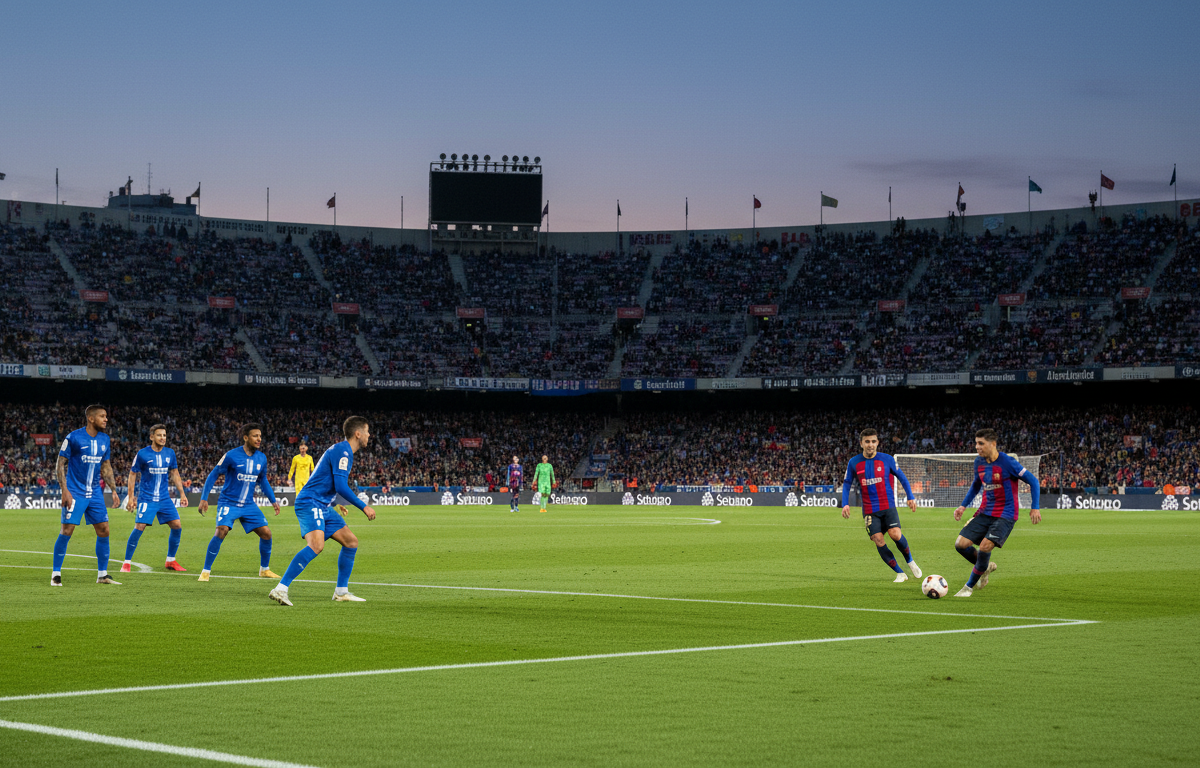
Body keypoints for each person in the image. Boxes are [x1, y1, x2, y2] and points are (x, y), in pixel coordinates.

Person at [269, 416, 377, 606]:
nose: (369, 435)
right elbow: (341, 485)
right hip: (311, 502)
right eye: (367, 431)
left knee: (351, 542)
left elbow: (326, 481)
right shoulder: (343, 451)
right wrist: (364, 506)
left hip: (323, 504)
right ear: (358, 434)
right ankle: (281, 589)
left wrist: (335, 503)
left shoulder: (342, 451)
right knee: (316, 545)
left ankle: (341, 592)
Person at [952, 428, 1042, 597]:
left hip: (1006, 514)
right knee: (960, 544)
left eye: (981, 443)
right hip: (985, 512)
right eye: (976, 443)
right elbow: (976, 485)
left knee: (985, 546)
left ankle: (968, 587)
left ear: (993, 444)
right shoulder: (978, 462)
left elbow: (1033, 481)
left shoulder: (1008, 462)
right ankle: (985, 567)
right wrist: (963, 506)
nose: (977, 447)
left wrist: (1035, 506)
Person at [197, 423, 281, 582]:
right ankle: (205, 571)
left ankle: (264, 570)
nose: (259, 439)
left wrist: (273, 500)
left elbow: (263, 480)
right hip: (229, 502)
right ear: (246, 437)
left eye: (260, 436)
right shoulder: (231, 455)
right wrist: (204, 498)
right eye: (255, 436)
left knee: (266, 533)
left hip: (248, 505)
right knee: (221, 530)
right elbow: (214, 474)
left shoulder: (262, 458)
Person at [51, 404, 123, 586]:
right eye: (102, 416)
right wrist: (64, 490)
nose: (106, 419)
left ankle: (102, 575)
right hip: (75, 491)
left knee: (104, 530)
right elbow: (60, 463)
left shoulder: (105, 439)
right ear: (91, 418)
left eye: (106, 416)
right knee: (67, 530)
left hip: (95, 492)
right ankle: (56, 574)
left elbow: (106, 466)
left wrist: (114, 490)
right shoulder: (73, 437)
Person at [841, 428, 921, 582]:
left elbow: (902, 478)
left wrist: (910, 496)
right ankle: (900, 573)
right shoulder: (854, 462)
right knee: (878, 539)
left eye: (873, 441)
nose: (870, 444)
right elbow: (846, 483)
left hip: (887, 505)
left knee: (895, 534)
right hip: (870, 510)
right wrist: (845, 504)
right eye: (867, 442)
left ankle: (910, 561)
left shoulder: (887, 459)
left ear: (877, 442)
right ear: (861, 443)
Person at [121, 424, 190, 573]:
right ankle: (126, 563)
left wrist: (182, 494)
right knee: (139, 527)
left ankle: (170, 560)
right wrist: (131, 497)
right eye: (159, 435)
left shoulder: (170, 453)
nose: (162, 438)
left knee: (177, 525)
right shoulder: (142, 454)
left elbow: (175, 473)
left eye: (164, 435)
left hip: (164, 498)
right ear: (152, 437)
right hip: (147, 498)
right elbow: (132, 474)